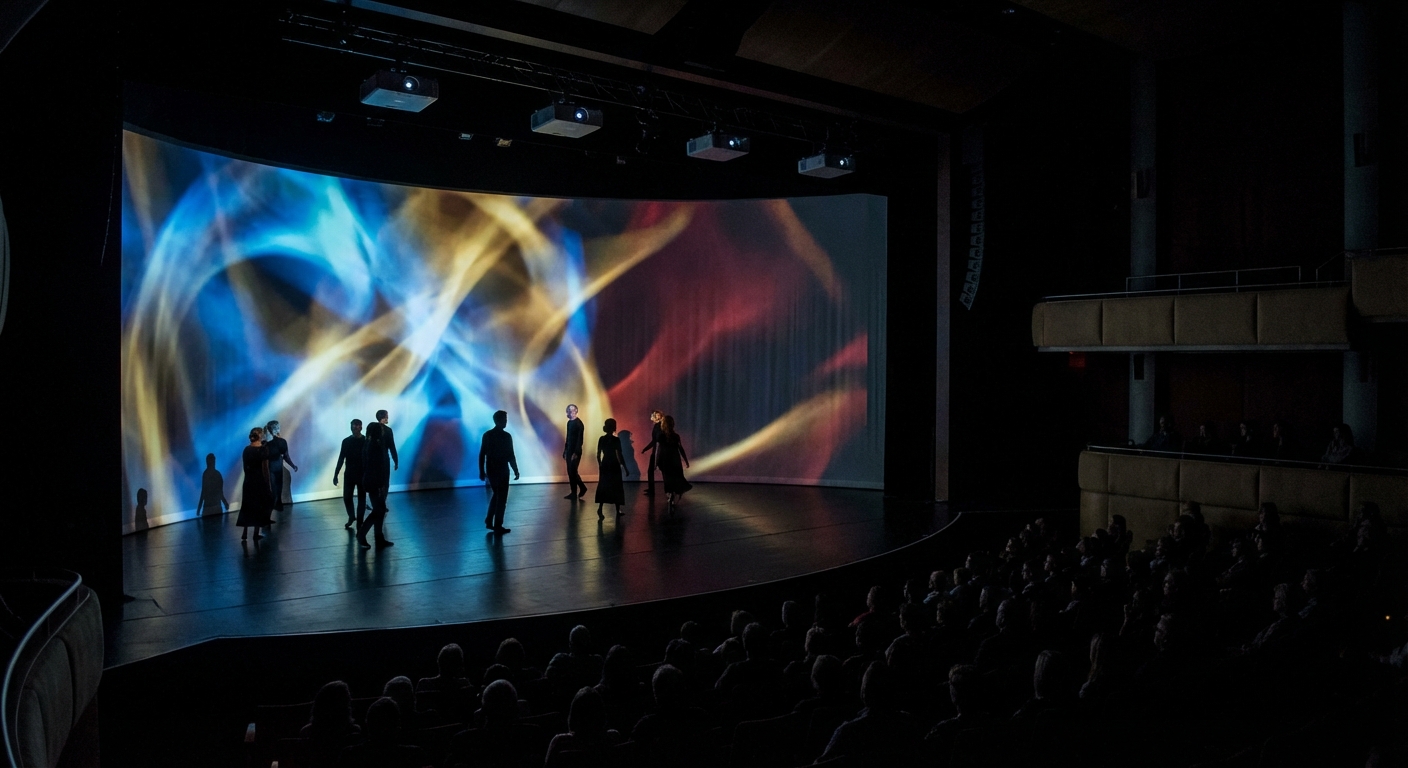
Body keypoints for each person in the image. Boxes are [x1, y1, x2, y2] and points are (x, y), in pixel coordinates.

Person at [359, 410, 398, 548]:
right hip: (374, 481)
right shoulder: (375, 449)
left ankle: (378, 537)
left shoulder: (369, 447)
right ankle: (363, 534)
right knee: (379, 509)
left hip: (373, 481)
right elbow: (375, 467)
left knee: (380, 509)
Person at [479, 410, 519, 534]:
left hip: (492, 469)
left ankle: (490, 521)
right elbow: (510, 455)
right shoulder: (506, 436)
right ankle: (497, 525)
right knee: (501, 498)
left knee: (497, 496)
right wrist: (515, 470)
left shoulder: (488, 435)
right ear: (498, 420)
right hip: (502, 470)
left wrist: (481, 470)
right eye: (504, 420)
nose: (506, 422)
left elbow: (482, 454)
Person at [236, 428, 272, 541]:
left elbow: (245, 467)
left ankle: (245, 533)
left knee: (247, 506)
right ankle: (256, 533)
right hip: (259, 481)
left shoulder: (246, 450)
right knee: (260, 506)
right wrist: (268, 484)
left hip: (248, 481)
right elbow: (265, 469)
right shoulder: (263, 450)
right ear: (260, 436)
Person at [333, 419, 366, 530]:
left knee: (361, 498)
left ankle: (359, 521)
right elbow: (341, 458)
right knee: (347, 497)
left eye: (357, 426)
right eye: (353, 426)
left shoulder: (365, 441)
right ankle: (352, 516)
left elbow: (370, 458)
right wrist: (336, 474)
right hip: (350, 474)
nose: (355, 428)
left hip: (361, 473)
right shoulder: (346, 441)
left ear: (361, 427)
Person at [655, 415, 692, 509]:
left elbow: (659, 450)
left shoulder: (661, 436)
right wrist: (686, 460)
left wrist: (656, 463)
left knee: (667, 479)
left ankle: (670, 495)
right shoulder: (675, 436)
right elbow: (681, 449)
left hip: (665, 460)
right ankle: (673, 494)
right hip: (675, 460)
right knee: (677, 478)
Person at [263, 420, 298, 515]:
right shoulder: (279, 442)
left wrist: (293, 465)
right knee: (276, 489)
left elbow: (285, 456)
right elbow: (286, 456)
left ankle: (274, 507)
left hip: (273, 467)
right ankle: (274, 508)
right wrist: (293, 465)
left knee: (276, 489)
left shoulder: (269, 444)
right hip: (275, 467)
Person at [595, 418, 628, 519]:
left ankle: (600, 508)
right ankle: (617, 510)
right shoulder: (616, 440)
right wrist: (625, 467)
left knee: (603, 486)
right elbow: (619, 454)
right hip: (614, 464)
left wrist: (600, 463)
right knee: (616, 486)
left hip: (605, 463)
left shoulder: (602, 439)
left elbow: (598, 453)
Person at [563, 404, 588, 500]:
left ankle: (582, 488)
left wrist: (576, 453)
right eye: (569, 410)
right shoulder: (569, 423)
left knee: (573, 471)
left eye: (573, 410)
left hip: (575, 451)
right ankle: (574, 492)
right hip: (569, 450)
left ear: (576, 411)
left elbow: (580, 440)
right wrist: (565, 450)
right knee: (570, 472)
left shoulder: (579, 424)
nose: (571, 412)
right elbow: (568, 438)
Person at [638, 409, 664, 495]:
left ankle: (652, 490)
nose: (651, 416)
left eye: (653, 415)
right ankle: (651, 489)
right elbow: (655, 440)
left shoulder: (658, 426)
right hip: (657, 450)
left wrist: (646, 448)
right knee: (652, 470)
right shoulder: (658, 426)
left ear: (657, 417)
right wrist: (646, 448)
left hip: (658, 451)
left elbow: (656, 441)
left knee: (652, 470)